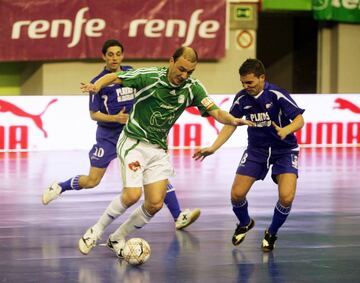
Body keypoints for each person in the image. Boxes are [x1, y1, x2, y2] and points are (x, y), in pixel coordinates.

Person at [79, 46, 254, 257]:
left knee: (154, 204)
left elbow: (216, 111)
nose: (184, 75)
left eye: (190, 72)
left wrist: (232, 120)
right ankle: (95, 231)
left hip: (158, 149)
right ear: (171, 61)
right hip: (134, 141)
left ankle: (117, 237)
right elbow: (115, 77)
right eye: (181, 69)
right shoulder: (150, 76)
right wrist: (96, 86)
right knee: (132, 195)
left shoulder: (192, 88)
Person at [41, 39, 201, 231]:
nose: (114, 58)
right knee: (92, 180)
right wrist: (115, 119)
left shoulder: (130, 72)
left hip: (135, 134)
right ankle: (60, 186)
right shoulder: (97, 82)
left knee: (156, 174)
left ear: (122, 56)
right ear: (104, 57)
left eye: (118, 54)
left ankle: (178, 216)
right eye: (110, 54)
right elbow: (94, 114)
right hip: (108, 136)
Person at [193, 58, 305, 252]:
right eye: (243, 83)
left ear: (262, 78)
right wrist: (213, 148)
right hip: (256, 151)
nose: (246, 87)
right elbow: (231, 124)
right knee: (236, 194)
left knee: (286, 197)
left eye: (250, 83)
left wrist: (286, 130)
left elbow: (299, 119)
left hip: (284, 151)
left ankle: (271, 233)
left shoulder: (276, 94)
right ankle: (244, 222)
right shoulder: (241, 98)